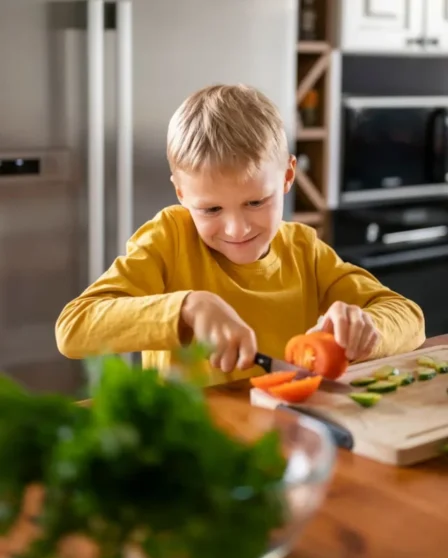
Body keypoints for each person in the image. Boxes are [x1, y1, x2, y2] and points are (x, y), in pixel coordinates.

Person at [55, 84, 425, 385]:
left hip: (290, 436)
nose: (237, 229)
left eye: (255, 202)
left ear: (287, 177)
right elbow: (74, 328)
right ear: (182, 194)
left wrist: (368, 327)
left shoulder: (303, 250)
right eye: (211, 209)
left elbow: (410, 318)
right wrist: (188, 308)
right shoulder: (169, 239)